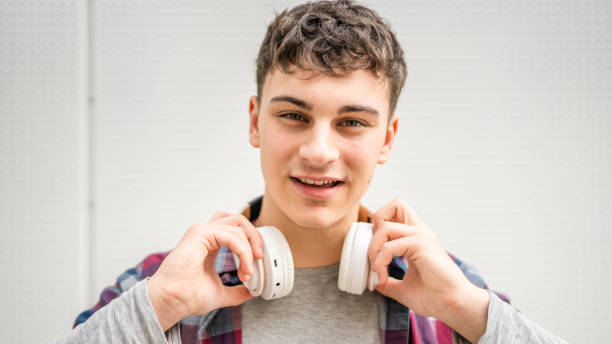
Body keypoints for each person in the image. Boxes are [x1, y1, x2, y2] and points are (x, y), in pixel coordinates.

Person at [56, 1, 568, 343]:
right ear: (256, 121)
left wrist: (465, 308)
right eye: (294, 116)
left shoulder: (448, 296)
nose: (320, 151)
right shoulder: (160, 287)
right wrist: (162, 303)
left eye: (351, 122)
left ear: (386, 138)